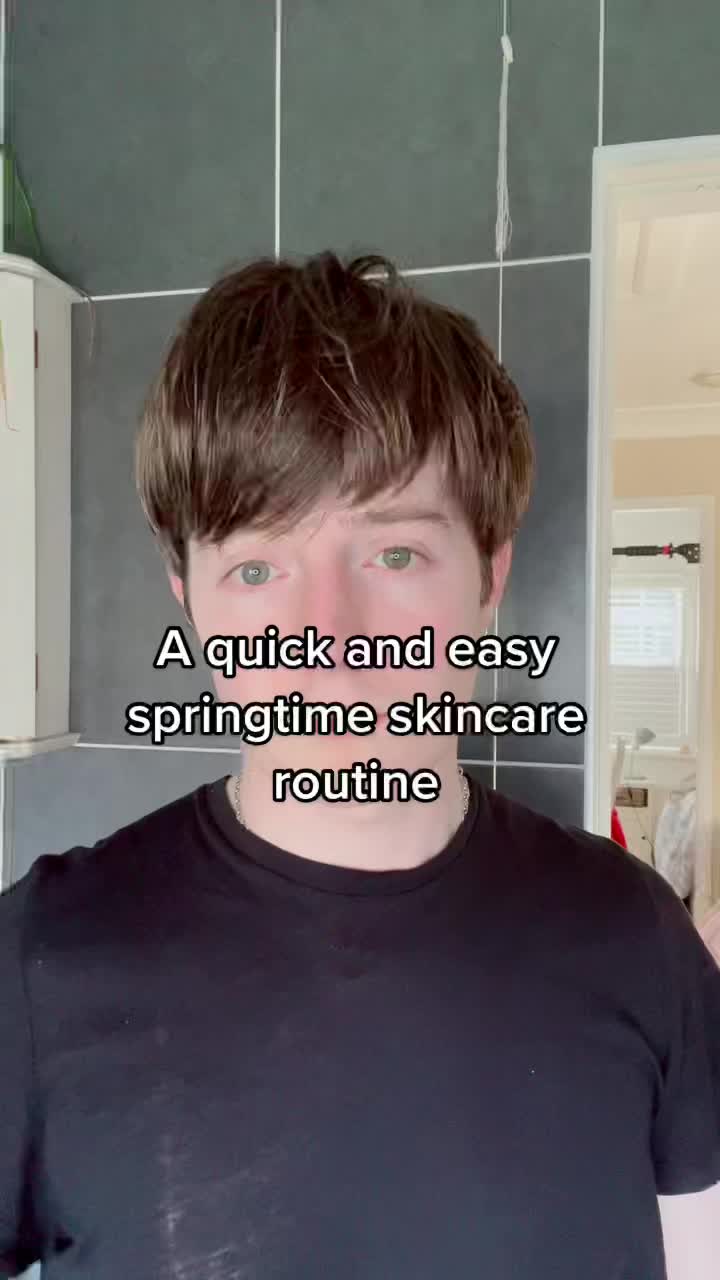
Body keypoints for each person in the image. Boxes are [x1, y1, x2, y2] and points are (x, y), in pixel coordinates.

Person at [1, 251, 719, 1280]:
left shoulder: (639, 937)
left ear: (491, 577)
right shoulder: (38, 964)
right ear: (189, 598)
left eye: (394, 554)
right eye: (257, 567)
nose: (327, 639)